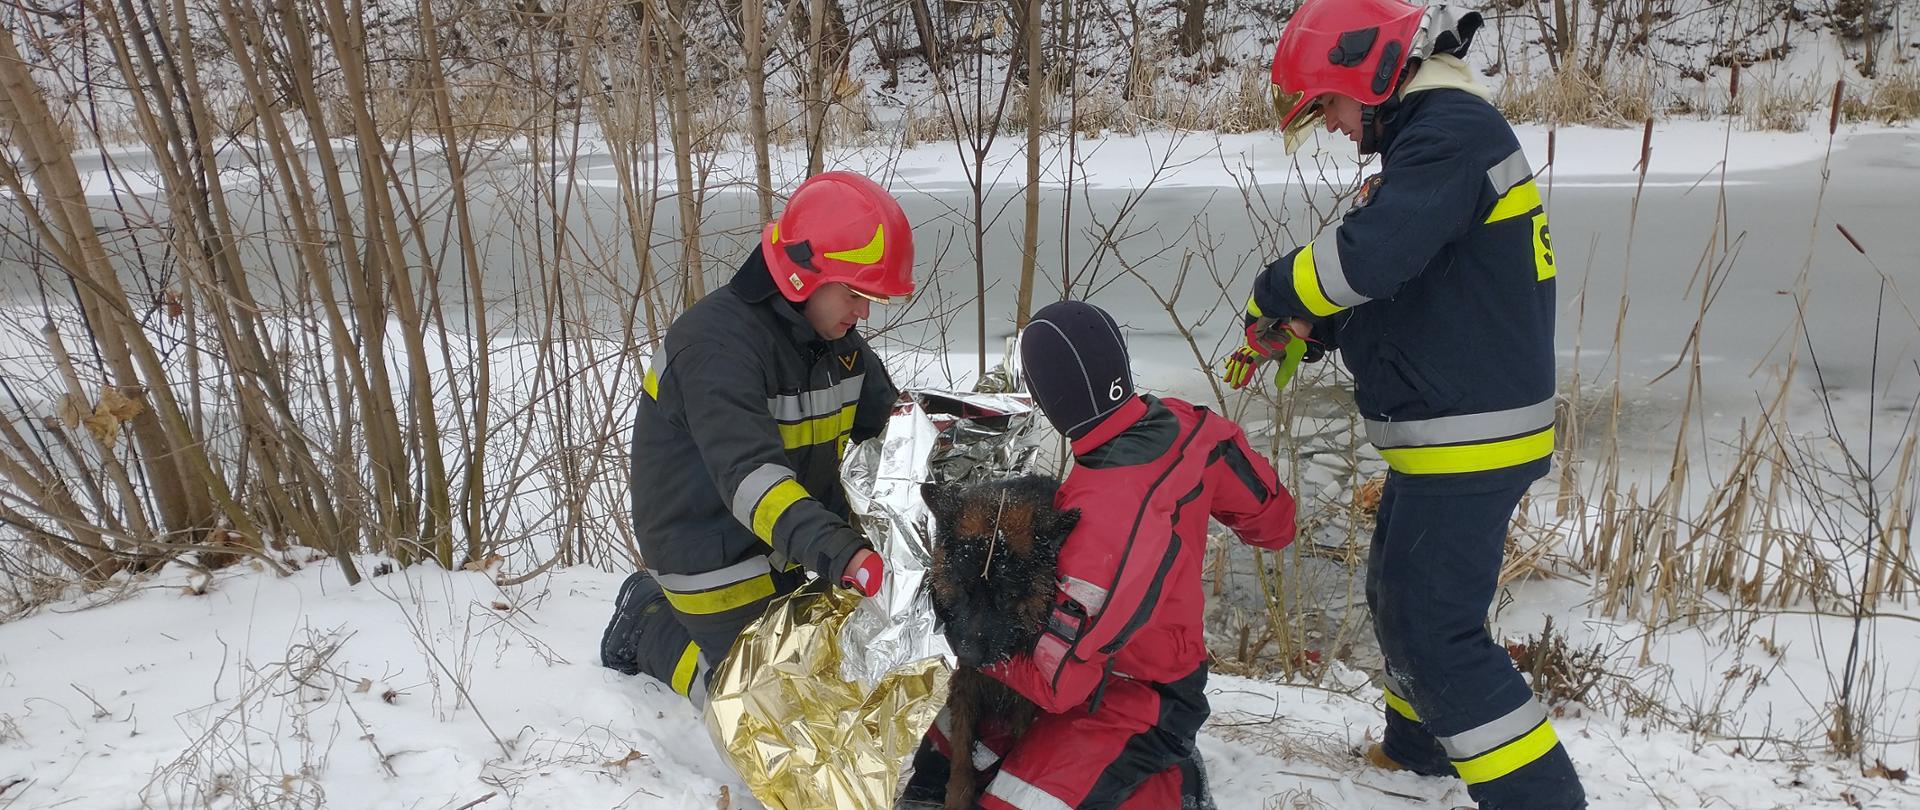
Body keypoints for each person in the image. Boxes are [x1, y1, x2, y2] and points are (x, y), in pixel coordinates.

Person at [1220, 1, 1585, 808]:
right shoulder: (1433, 142)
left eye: (1328, 106)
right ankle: (1419, 754)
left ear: (1371, 77)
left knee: (1434, 631)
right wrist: (1316, 327)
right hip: (1450, 431)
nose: (1332, 126)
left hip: (1472, 436)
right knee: (1398, 599)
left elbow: (1370, 257)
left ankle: (1541, 800)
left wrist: (1276, 291)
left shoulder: (1449, 135)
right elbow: (1406, 281)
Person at [901, 300, 1298, 809]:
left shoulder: (1095, 525)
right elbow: (1275, 524)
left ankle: (1170, 784)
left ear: (1046, 399)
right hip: (1134, 665)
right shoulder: (1194, 428)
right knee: (937, 768)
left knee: (1011, 801)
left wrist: (976, 647)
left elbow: (1057, 684)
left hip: (1137, 695)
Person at [600, 171, 910, 706]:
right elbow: (753, 484)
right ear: (805, 275)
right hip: (712, 554)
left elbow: (891, 427)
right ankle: (649, 624)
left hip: (793, 545)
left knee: (859, 675)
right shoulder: (715, 348)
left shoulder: (835, 342)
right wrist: (846, 554)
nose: (863, 313)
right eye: (855, 294)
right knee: (766, 713)